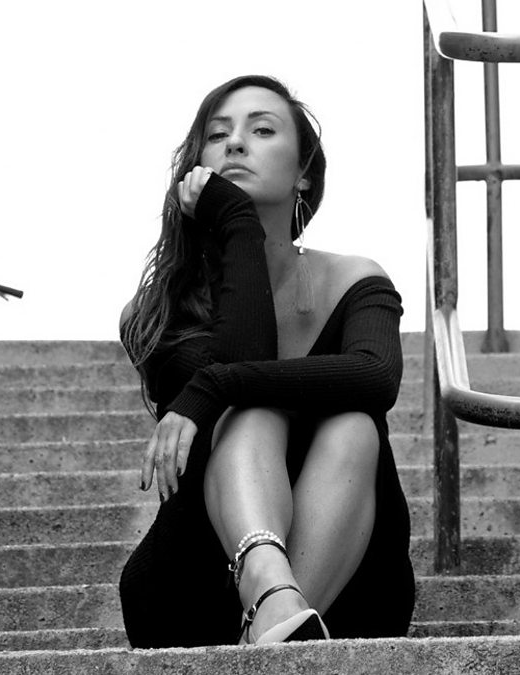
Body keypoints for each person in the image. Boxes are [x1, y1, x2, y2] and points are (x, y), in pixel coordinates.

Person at [117, 74, 415, 647]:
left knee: (354, 424)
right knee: (251, 413)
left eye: (261, 130)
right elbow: (246, 369)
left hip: (351, 586)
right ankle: (273, 607)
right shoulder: (157, 311)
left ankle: (277, 623)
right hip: (196, 587)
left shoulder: (354, 278)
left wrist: (214, 384)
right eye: (217, 135)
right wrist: (237, 224)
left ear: (304, 171)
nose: (234, 143)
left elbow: (377, 378)